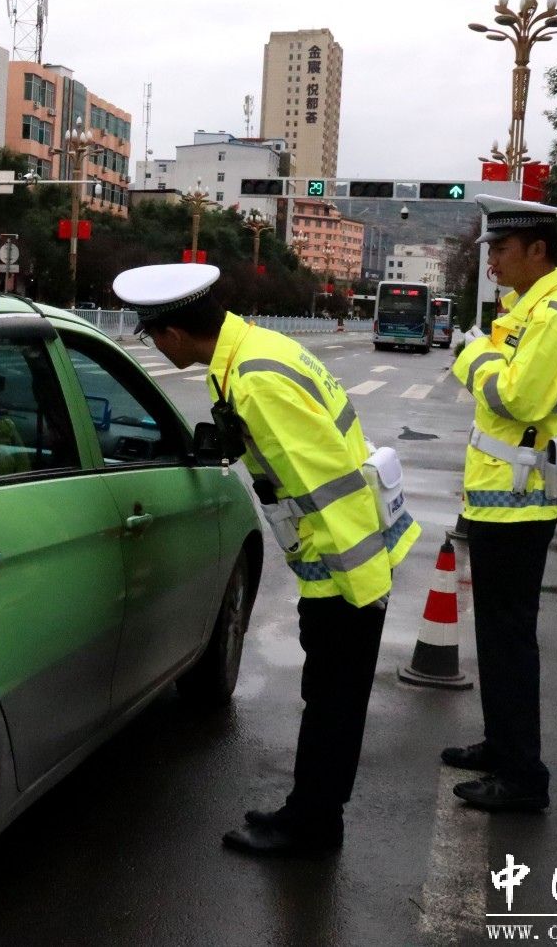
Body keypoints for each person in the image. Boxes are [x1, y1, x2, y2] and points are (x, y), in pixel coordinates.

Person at [114, 262, 421, 857]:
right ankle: (313, 813)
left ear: (173, 335)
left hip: (346, 573)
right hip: (346, 561)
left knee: (332, 701)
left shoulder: (255, 382)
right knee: (331, 698)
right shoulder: (252, 352)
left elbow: (328, 488)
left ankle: (312, 826)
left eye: (152, 338)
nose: (156, 348)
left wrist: (360, 594)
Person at [445, 195, 557, 813]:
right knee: (498, 635)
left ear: (538, 250)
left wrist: (473, 354)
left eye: (502, 250)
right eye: (491, 251)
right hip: (503, 499)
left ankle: (523, 776)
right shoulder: (527, 310)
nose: (493, 263)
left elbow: (515, 400)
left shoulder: (554, 317)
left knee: (509, 638)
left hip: (521, 503)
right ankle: (502, 745)